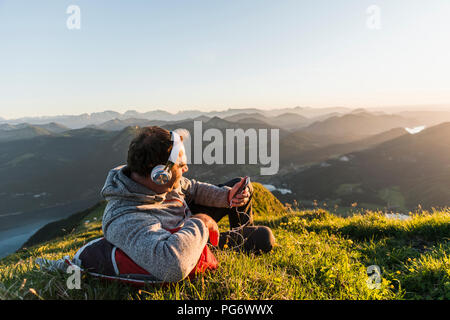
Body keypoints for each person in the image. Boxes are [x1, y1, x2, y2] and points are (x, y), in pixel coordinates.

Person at [101, 126, 275, 282]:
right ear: (158, 173)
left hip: (187, 222)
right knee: (264, 237)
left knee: (239, 185)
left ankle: (239, 241)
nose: (186, 169)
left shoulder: (161, 180)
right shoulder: (124, 217)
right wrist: (201, 222)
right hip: (187, 243)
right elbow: (171, 267)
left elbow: (193, 188)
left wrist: (228, 196)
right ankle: (231, 246)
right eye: (181, 165)